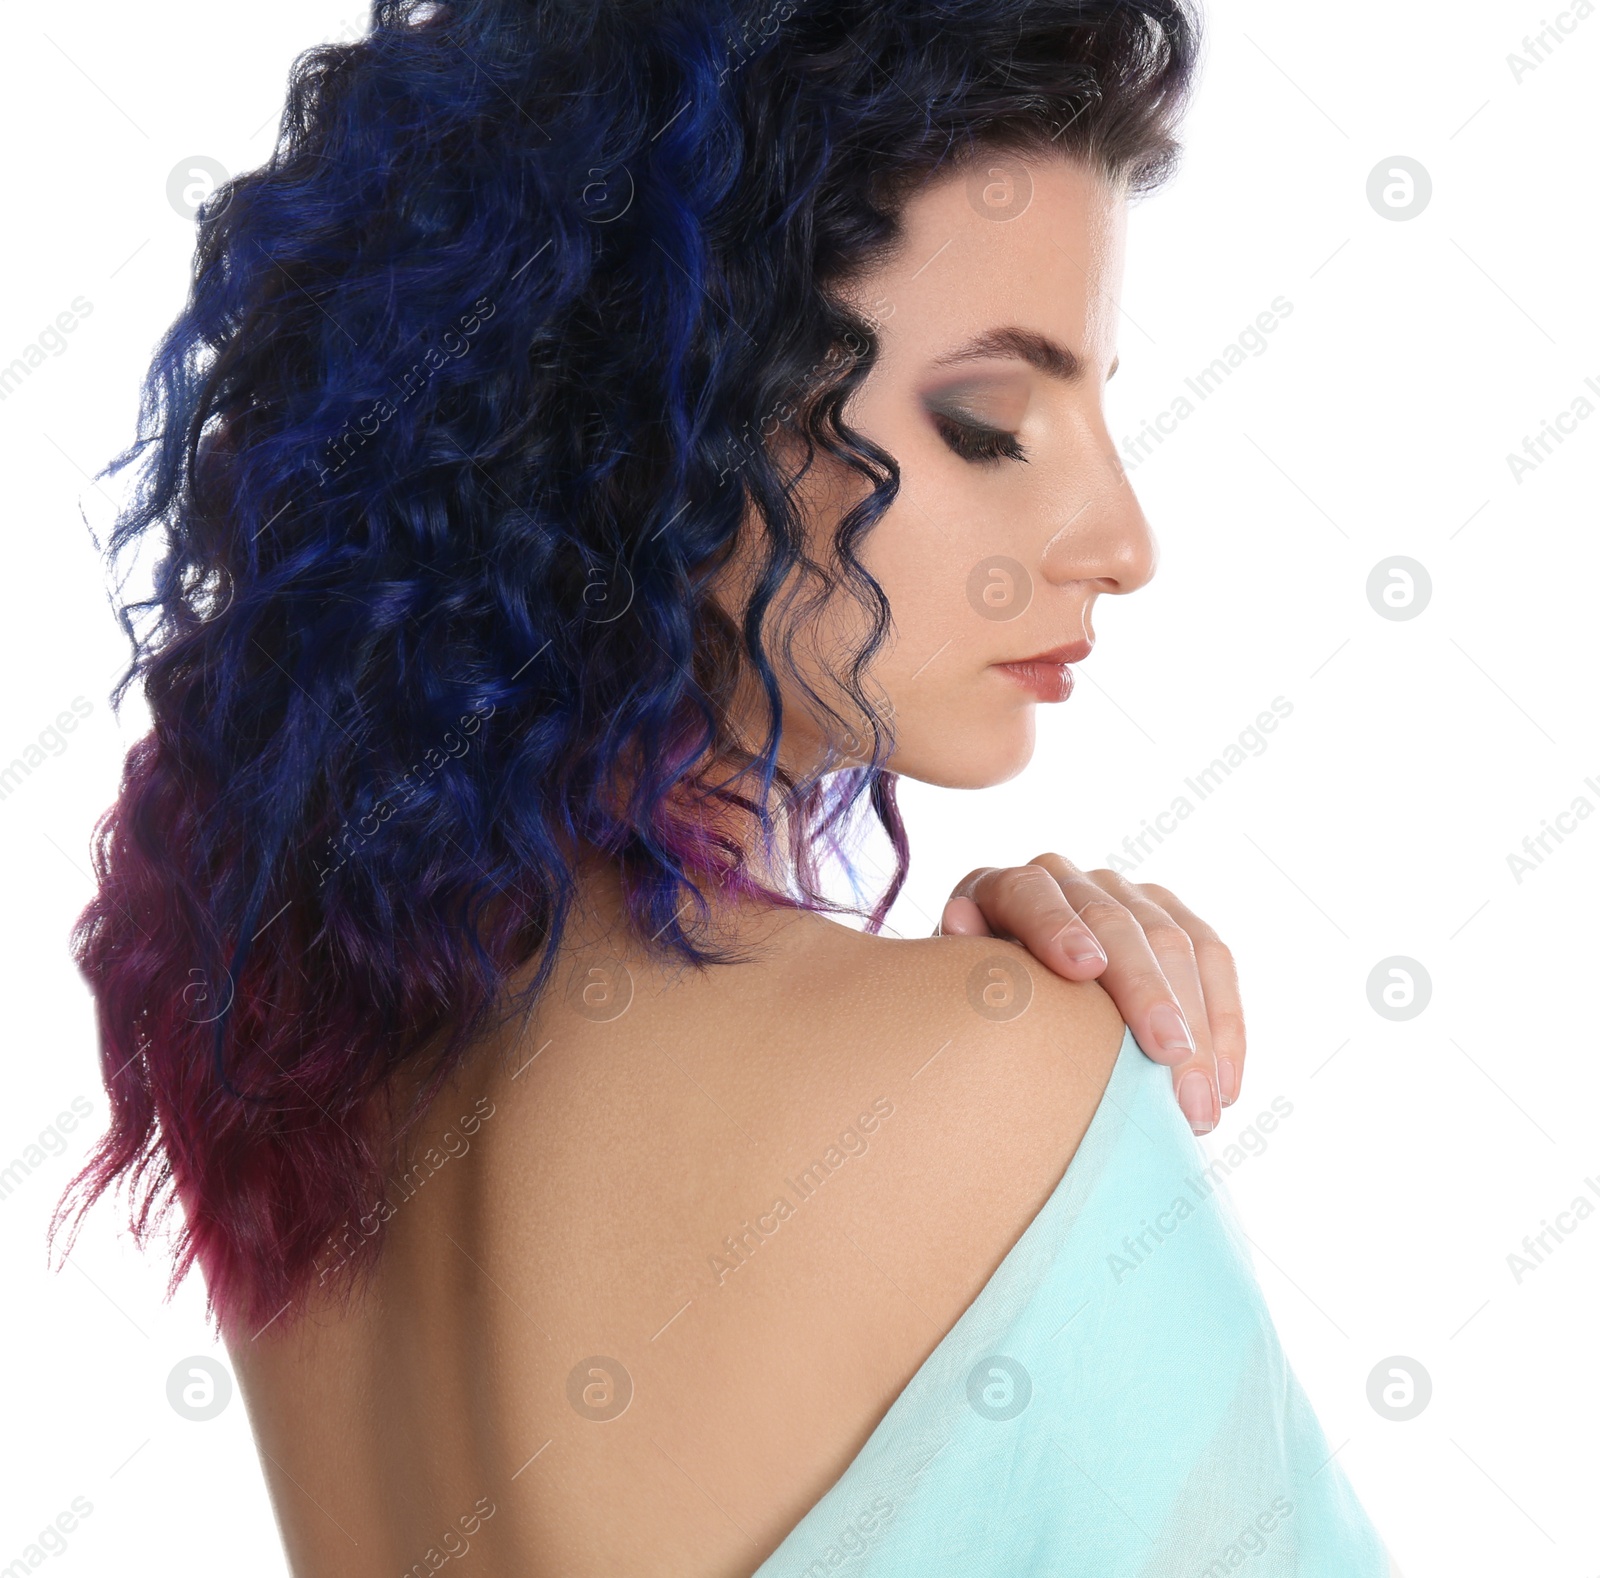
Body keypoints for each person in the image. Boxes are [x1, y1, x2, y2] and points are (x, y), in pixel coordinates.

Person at [57, 0, 1398, 1571]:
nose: (1122, 537)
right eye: (989, 424)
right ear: (659, 419)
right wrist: (1026, 1056)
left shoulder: (314, 1079)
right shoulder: (992, 1081)